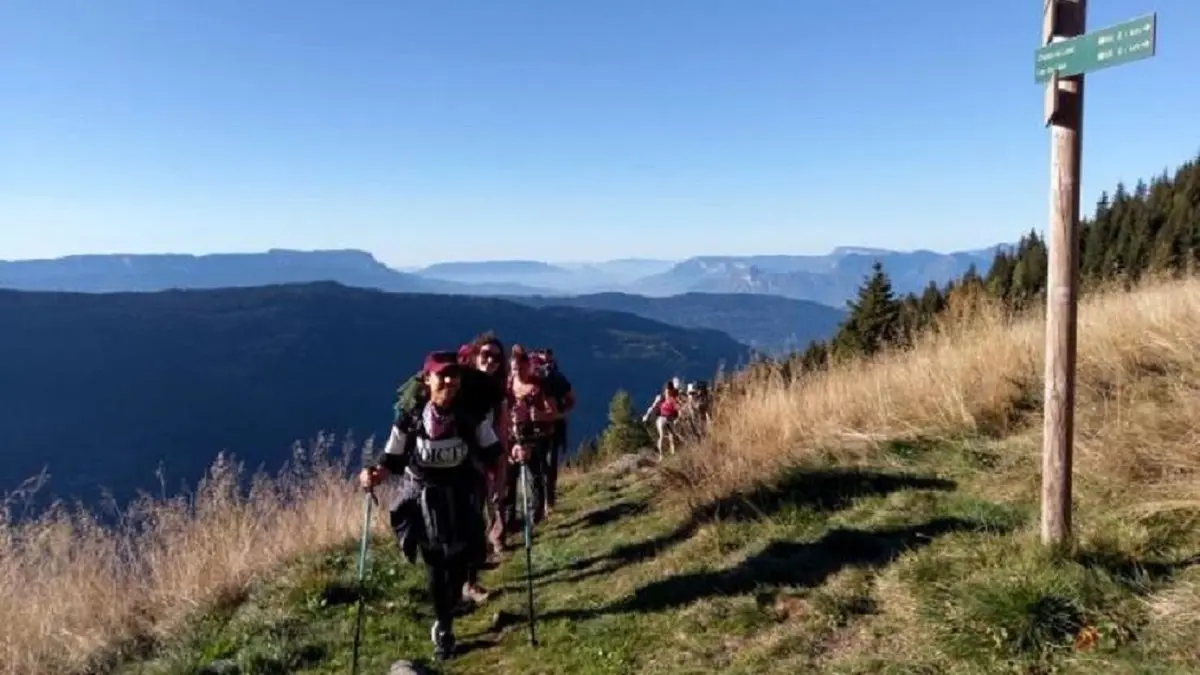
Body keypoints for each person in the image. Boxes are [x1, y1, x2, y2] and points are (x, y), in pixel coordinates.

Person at [360, 351, 524, 661]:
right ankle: (445, 627)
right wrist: (372, 475)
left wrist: (513, 455)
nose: (449, 381)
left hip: (461, 493)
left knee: (462, 562)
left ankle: (450, 605)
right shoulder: (410, 417)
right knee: (435, 563)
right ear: (427, 380)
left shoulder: (469, 414)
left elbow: (492, 451)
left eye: (454, 376)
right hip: (422, 495)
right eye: (442, 376)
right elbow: (392, 458)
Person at [503, 345, 560, 531]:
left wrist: (541, 416)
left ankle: (536, 517)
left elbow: (553, 412)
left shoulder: (538, 387)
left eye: (520, 368)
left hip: (534, 438)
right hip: (513, 438)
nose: (517, 371)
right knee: (509, 481)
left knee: (535, 477)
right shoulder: (508, 386)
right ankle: (509, 520)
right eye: (514, 368)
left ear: (528, 366)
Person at [535, 348, 574, 517]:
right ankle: (538, 503)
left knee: (550, 465)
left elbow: (571, 399)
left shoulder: (558, 379)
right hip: (534, 429)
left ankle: (548, 501)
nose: (546, 366)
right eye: (543, 362)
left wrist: (560, 413)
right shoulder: (532, 381)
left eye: (549, 362)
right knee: (538, 466)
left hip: (556, 427)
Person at [642, 378, 682, 458]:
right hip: (662, 418)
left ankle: (672, 453)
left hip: (670, 418)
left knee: (672, 436)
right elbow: (653, 406)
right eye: (667, 390)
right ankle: (662, 455)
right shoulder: (661, 397)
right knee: (662, 435)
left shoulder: (674, 396)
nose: (668, 392)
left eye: (669, 390)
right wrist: (647, 415)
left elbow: (679, 406)